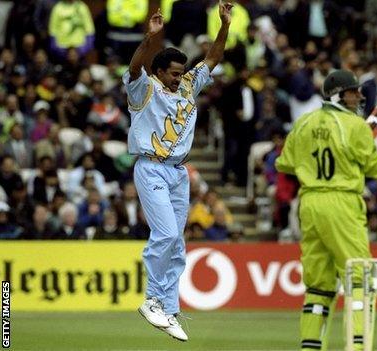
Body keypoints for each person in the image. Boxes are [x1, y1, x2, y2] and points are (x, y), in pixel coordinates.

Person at [124, 3, 232, 342]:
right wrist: (148, 40)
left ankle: (169, 309)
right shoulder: (144, 89)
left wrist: (224, 26)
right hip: (151, 168)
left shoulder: (187, 86)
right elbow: (133, 68)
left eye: (181, 72)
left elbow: (212, 58)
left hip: (178, 172)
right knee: (167, 234)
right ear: (158, 71)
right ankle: (153, 300)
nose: (178, 77)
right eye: (172, 72)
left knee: (178, 244)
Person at [276, 69, 377, 350]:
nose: (359, 97)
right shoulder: (355, 126)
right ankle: (358, 346)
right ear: (339, 95)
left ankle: (311, 346)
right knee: (360, 276)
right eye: (353, 92)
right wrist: (359, 146)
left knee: (318, 285)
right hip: (342, 202)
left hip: (310, 203)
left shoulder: (303, 122)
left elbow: (285, 164)